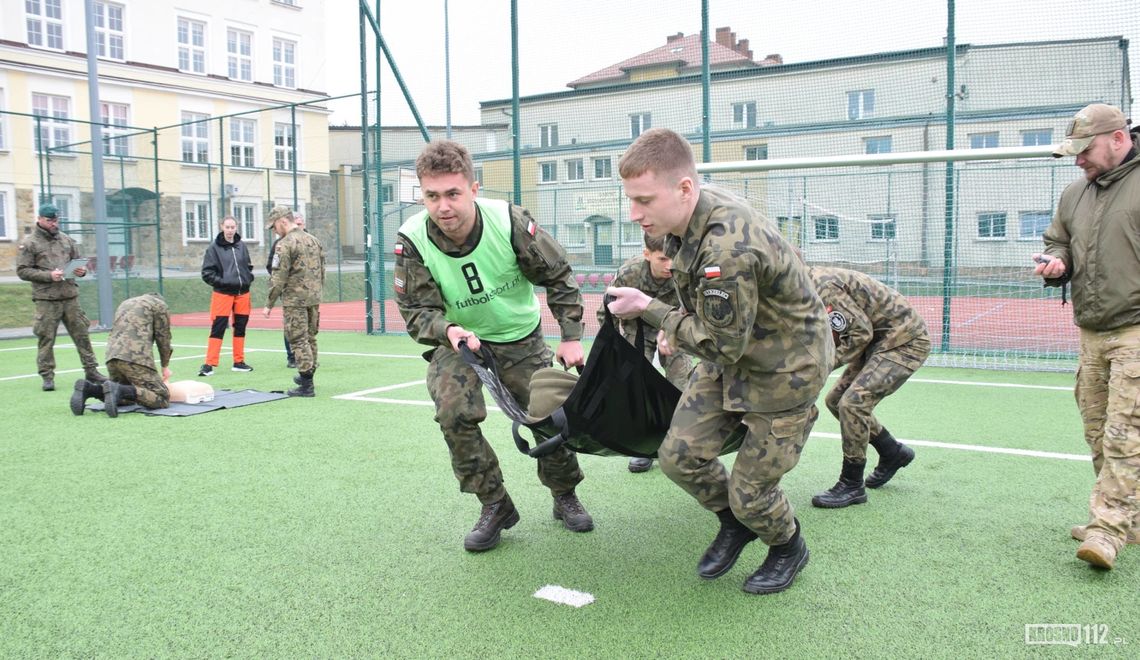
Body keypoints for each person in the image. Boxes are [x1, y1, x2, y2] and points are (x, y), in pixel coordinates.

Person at [605, 128, 832, 595]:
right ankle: (735, 523)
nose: (634, 214)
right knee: (678, 457)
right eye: (631, 199)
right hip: (736, 354)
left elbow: (719, 345)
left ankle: (787, 546)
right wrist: (673, 318)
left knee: (752, 494)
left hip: (786, 370)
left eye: (644, 200)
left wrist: (650, 309)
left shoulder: (725, 250)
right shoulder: (689, 216)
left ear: (684, 188)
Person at [393, 139, 592, 553]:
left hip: (520, 336)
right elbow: (415, 309)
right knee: (453, 412)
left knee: (547, 417)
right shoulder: (412, 238)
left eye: (453, 194)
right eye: (432, 196)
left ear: (474, 189)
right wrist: (449, 330)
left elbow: (558, 275)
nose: (443, 206)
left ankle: (564, 493)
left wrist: (571, 336)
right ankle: (495, 504)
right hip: (461, 342)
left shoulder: (508, 221)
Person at [1038, 102, 1140, 570]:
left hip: (1135, 329)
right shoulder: (1074, 194)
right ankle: (1130, 519)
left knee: (1125, 433)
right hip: (1092, 331)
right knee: (1097, 430)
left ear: (1118, 139)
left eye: (1085, 150)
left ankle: (1108, 528)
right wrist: (1056, 263)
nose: (1078, 159)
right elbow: (1058, 240)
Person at [806, 265, 930, 509]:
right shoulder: (803, 283)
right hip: (879, 341)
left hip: (905, 341)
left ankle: (852, 484)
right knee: (836, 401)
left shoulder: (821, 285)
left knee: (853, 403)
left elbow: (860, 333)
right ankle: (892, 452)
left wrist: (822, 366)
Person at [596, 232, 695, 473]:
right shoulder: (629, 273)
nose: (669, 265)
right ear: (647, 254)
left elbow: (695, 308)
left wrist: (673, 329)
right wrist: (615, 348)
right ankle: (643, 447)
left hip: (672, 328)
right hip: (637, 328)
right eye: (662, 259)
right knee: (636, 386)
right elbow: (606, 311)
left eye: (672, 258)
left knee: (682, 385)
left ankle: (680, 445)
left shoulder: (685, 269)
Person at [16, 203, 107, 391]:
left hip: (70, 296)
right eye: (50, 220)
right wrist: (49, 276)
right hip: (46, 299)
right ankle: (47, 376)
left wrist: (81, 271)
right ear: (39, 219)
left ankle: (91, 371)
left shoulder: (67, 240)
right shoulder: (31, 243)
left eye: (56, 220)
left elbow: (78, 264)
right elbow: (23, 271)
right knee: (46, 338)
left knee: (82, 335)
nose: (54, 224)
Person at [71, 292, 172, 417]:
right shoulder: (159, 305)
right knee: (161, 398)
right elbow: (164, 338)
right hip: (135, 357)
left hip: (112, 355)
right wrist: (165, 365)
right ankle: (117, 389)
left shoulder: (126, 303)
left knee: (124, 398)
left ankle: (90, 389)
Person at [263, 206, 325, 397]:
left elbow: (278, 277)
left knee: (298, 339)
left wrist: (269, 303)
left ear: (283, 221)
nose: (274, 231)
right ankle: (308, 374)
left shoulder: (284, 244)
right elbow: (322, 270)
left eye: (274, 226)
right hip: (313, 297)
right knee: (310, 337)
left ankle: (306, 385)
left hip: (295, 300)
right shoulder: (313, 240)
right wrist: (317, 292)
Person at [198, 215, 255, 376]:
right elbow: (207, 273)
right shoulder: (213, 248)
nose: (230, 230)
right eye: (227, 227)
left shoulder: (241, 246)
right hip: (222, 294)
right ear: (222, 227)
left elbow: (248, 266)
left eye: (233, 227)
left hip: (243, 294)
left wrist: (248, 278)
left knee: (240, 327)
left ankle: (238, 362)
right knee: (218, 327)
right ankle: (209, 364)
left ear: (236, 227)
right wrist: (224, 282)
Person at [266, 213, 307, 368]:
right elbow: (272, 267)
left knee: (308, 328)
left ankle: (307, 359)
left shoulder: (310, 241)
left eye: (300, 224)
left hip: (308, 293)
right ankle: (292, 357)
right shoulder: (280, 244)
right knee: (290, 326)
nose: (298, 227)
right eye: (297, 223)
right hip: (290, 292)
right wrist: (284, 283)